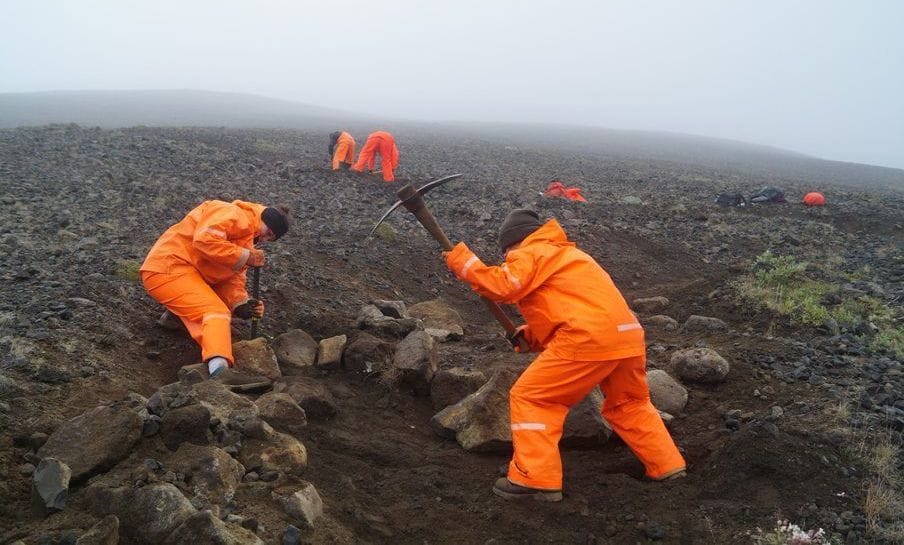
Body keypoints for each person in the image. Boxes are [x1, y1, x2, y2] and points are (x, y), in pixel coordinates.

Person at [444, 209, 686, 502]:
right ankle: (668, 466)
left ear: (512, 242)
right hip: (627, 335)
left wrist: (461, 261)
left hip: (588, 338)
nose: (507, 257)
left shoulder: (531, 251)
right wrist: (531, 335)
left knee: (533, 397)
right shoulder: (572, 257)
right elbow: (574, 308)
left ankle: (535, 479)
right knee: (630, 403)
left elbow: (504, 286)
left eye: (506, 251)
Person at [140, 200, 290, 377]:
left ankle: (175, 317)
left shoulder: (246, 239)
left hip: (181, 271)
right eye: (268, 233)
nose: (264, 239)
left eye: (269, 239)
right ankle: (220, 371)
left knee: (211, 306)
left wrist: (241, 304)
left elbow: (231, 279)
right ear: (264, 219)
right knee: (214, 311)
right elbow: (205, 240)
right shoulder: (233, 214)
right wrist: (246, 256)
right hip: (169, 267)